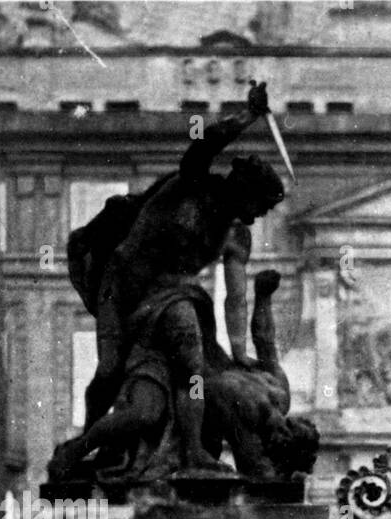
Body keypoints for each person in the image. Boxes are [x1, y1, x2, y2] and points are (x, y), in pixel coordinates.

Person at [74, 80, 285, 471]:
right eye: (259, 205)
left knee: (193, 367)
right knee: (108, 370)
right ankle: (91, 441)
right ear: (243, 188)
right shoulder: (190, 186)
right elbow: (203, 143)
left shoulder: (236, 233)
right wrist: (248, 116)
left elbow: (235, 298)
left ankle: (192, 450)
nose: (257, 216)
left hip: (173, 294)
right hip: (122, 287)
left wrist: (239, 353)